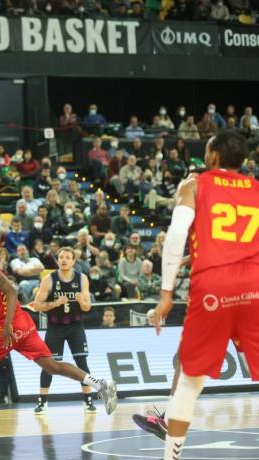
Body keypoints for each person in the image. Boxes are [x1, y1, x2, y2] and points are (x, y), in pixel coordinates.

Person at [145, 131, 259, 460]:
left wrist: (166, 294)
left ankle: (172, 457)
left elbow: (176, 235)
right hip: (254, 282)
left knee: (191, 380)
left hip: (213, 287)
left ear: (213, 157)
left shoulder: (194, 185)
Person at [0, 240, 117, 433]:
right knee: (52, 367)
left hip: (12, 326)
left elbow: (12, 292)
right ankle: (101, 384)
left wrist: (8, 325)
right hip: (22, 323)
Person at [32, 246, 103, 414]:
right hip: (55, 327)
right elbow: (36, 305)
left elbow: (87, 307)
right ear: (58, 260)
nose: (63, 260)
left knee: (82, 363)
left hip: (75, 326)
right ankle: (42, 401)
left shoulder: (82, 279)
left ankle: (88, 400)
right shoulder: (49, 279)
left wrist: (81, 302)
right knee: (49, 365)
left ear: (73, 261)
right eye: (61, 257)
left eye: (67, 257)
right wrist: (55, 303)